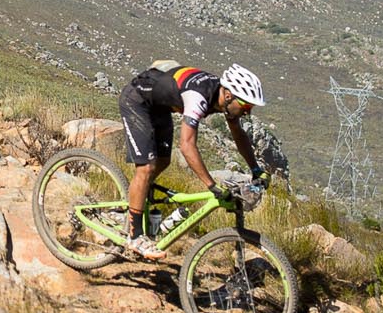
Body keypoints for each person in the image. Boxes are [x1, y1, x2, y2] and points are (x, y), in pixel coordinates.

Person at [115, 60, 275, 259]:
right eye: (246, 105)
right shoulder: (198, 96)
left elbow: (238, 135)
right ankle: (135, 236)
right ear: (228, 95)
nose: (248, 111)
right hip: (137, 101)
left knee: (163, 161)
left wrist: (256, 169)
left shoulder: (225, 100)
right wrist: (211, 186)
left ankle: (132, 204)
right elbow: (187, 146)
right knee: (147, 167)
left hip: (161, 107)